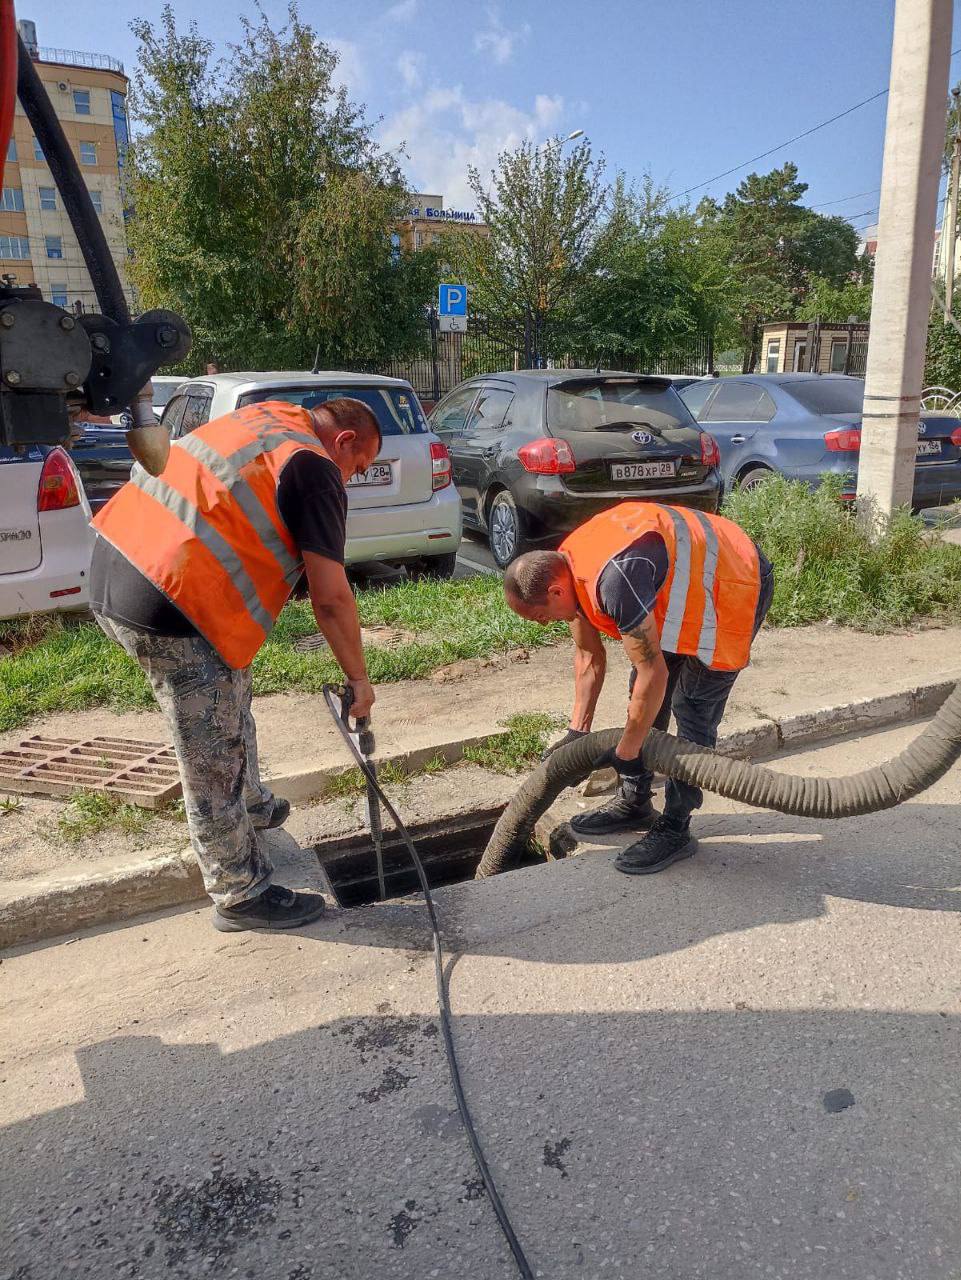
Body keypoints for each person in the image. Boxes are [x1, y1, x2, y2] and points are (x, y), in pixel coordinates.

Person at [89, 396, 382, 931]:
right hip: (169, 598)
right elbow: (331, 597)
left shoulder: (271, 416)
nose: (353, 481)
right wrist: (358, 679)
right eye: (358, 468)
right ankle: (239, 892)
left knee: (227, 700)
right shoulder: (314, 467)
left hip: (121, 558)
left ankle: (252, 806)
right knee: (210, 753)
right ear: (344, 440)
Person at [503, 501, 774, 875]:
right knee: (641, 695)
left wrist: (627, 750)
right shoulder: (568, 572)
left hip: (732, 582)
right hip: (680, 588)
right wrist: (576, 733)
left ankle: (676, 826)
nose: (543, 624)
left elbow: (654, 674)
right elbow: (588, 656)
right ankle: (635, 802)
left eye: (539, 616)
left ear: (554, 592)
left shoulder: (614, 579)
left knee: (692, 707)